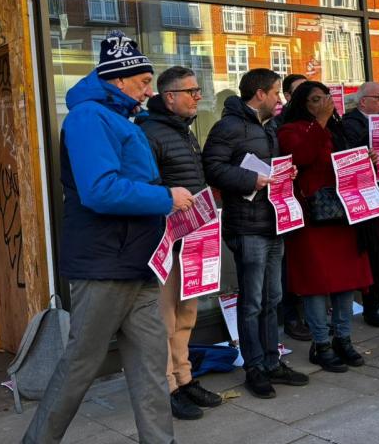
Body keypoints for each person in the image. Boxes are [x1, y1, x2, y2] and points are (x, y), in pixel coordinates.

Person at [23, 32, 195, 444]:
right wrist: (164, 197)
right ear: (118, 81)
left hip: (136, 262)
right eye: (142, 82)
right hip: (104, 265)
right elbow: (100, 189)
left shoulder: (119, 117)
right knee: (81, 363)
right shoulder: (88, 118)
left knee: (151, 363)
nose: (149, 90)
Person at [202, 68, 310, 398]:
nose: (280, 99)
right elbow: (212, 168)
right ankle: (254, 367)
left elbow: (269, 166)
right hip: (247, 226)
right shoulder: (228, 127)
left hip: (274, 222)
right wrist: (251, 180)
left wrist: (285, 171)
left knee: (272, 298)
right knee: (251, 302)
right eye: (276, 92)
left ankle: (272, 361)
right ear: (259, 94)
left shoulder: (269, 127)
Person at [140, 66, 223, 421]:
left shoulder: (183, 131)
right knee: (165, 317)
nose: (198, 96)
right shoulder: (148, 132)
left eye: (198, 90)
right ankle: (167, 387)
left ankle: (185, 378)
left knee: (188, 312)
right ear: (169, 97)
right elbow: (144, 187)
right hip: (166, 238)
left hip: (193, 238)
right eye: (191, 91)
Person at [278, 81, 374, 372]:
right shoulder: (290, 130)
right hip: (312, 218)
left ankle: (343, 338)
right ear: (301, 105)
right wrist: (319, 123)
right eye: (315, 100)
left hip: (342, 214)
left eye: (326, 97)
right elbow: (302, 157)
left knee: (346, 280)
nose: (324, 103)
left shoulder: (339, 128)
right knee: (316, 284)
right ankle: (321, 344)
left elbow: (346, 164)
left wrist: (365, 161)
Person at [343, 81, 379, 327]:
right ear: (363, 101)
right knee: (373, 254)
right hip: (365, 197)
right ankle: (371, 306)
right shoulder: (350, 123)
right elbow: (350, 157)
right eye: (378, 97)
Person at [273, 72, 311, 342]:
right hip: (287, 200)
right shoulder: (279, 124)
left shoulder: (316, 123)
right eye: (302, 92)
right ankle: (291, 315)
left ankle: (313, 313)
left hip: (313, 202)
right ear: (287, 96)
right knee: (287, 263)